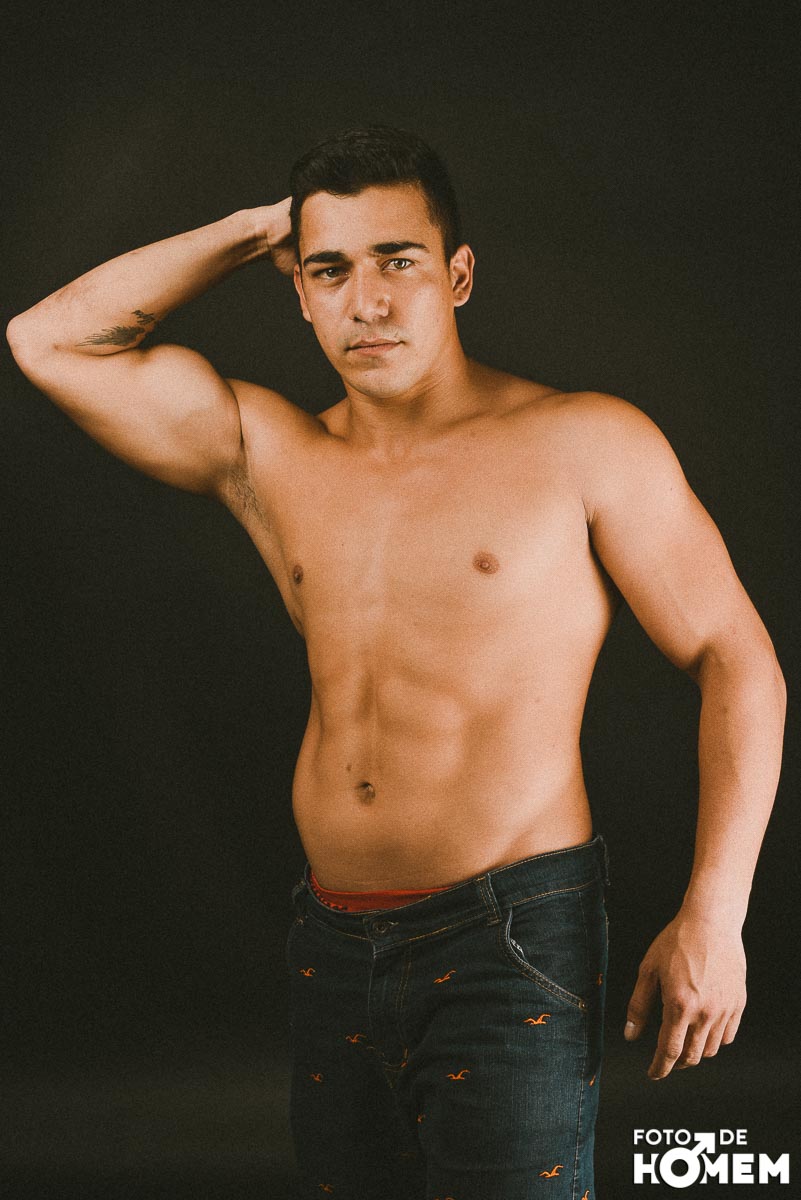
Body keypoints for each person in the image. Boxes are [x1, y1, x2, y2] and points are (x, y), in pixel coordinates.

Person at [7, 126, 785, 1200]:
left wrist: (716, 913)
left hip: (511, 937)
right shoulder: (272, 450)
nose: (367, 302)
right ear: (299, 292)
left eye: (397, 261)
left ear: (457, 276)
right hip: (331, 941)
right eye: (331, 270)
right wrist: (255, 230)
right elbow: (49, 340)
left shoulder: (584, 442)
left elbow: (736, 657)